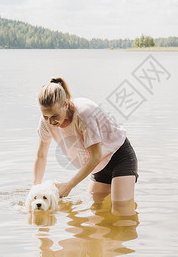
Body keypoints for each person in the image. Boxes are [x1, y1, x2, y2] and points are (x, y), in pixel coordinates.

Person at [33, 77, 139, 216]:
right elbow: (41, 155)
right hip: (97, 166)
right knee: (97, 211)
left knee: (121, 211)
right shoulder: (46, 121)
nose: (50, 121)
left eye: (54, 116)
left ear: (65, 104)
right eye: (45, 116)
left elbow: (95, 156)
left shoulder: (84, 113)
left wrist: (68, 185)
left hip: (119, 157)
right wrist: (35, 190)